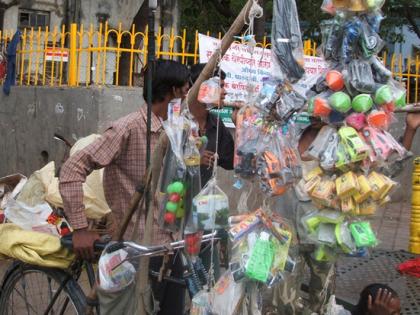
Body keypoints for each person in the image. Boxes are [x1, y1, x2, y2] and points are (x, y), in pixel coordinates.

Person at [59, 59, 190, 315]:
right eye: (186, 90)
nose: (188, 95)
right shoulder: (128, 129)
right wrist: (80, 228)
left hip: (170, 245)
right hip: (135, 251)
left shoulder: (176, 129)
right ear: (172, 92)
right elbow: (72, 169)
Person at [273, 112, 420, 314]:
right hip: (287, 237)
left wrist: (410, 129)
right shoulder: (287, 138)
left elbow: (388, 168)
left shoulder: (346, 147)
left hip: (323, 240)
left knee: (321, 298)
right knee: (283, 297)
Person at [188, 63, 235, 281]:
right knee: (178, 269)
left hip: (205, 209)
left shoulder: (217, 124)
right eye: (221, 86)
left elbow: (233, 161)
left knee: (210, 271)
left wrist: (243, 124)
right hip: (176, 208)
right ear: (202, 88)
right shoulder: (179, 121)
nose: (225, 92)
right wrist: (193, 159)